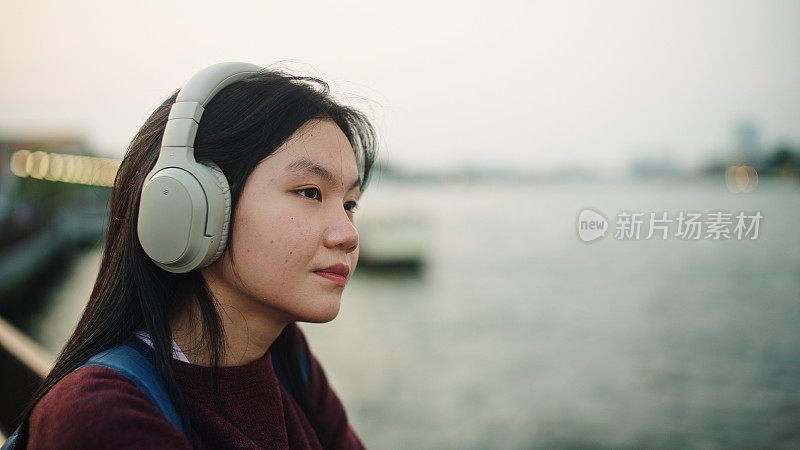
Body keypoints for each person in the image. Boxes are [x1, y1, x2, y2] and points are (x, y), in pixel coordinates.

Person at [16, 62, 376, 449]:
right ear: (194, 205)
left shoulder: (289, 359)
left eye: (350, 203)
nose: (348, 234)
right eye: (310, 192)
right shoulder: (99, 418)